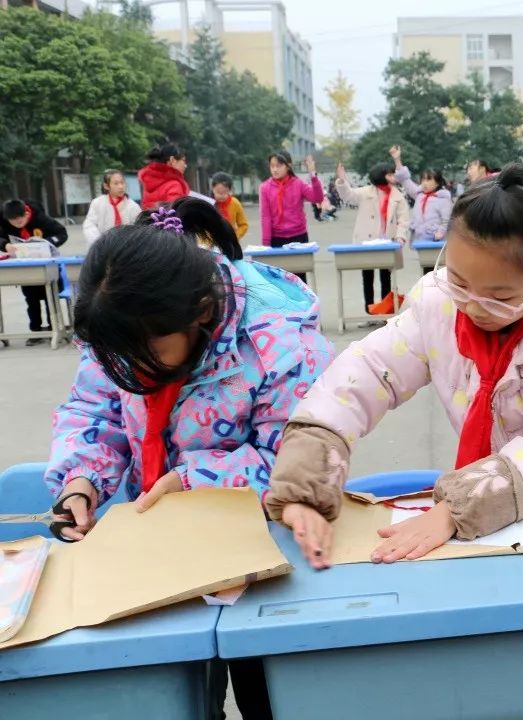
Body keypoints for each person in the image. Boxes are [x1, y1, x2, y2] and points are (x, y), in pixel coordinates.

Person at [265, 163, 523, 569]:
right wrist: (306, 483)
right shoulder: (439, 305)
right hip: (502, 492)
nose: (472, 306)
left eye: (499, 295)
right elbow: (366, 372)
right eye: (459, 280)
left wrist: (459, 509)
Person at [44, 197, 331, 719]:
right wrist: (81, 478)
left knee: (261, 683)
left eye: (145, 354)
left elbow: (297, 457)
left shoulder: (279, 340)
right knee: (182, 693)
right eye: (117, 355)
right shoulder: (125, 324)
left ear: (201, 312)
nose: (128, 367)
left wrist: (194, 481)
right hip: (161, 544)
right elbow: (95, 406)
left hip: (259, 551)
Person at [335, 161, 410, 316]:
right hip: (367, 243)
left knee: (386, 277)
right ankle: (369, 312)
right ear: (381, 176)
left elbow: (404, 219)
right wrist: (342, 181)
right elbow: (349, 196)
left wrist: (401, 236)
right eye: (389, 174)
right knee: (367, 277)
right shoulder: (366, 192)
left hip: (388, 243)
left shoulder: (398, 196)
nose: (393, 176)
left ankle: (385, 312)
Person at [1, 199, 68, 345]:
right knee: (31, 299)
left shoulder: (41, 218)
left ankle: (53, 328)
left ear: (26, 213)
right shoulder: (4, 220)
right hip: (24, 266)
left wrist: (47, 242)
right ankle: (36, 331)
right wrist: (5, 244)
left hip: (46, 264)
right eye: (13, 221)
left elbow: (62, 233)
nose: (18, 223)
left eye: (21, 219)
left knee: (49, 296)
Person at [260, 151, 322, 282]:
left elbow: (318, 197)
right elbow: (265, 217)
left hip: (298, 238)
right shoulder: (265, 187)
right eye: (272, 166)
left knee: (299, 279)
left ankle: (304, 303)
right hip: (276, 239)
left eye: (279, 165)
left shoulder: (298, 184)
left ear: (288, 166)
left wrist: (313, 175)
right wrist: (266, 246)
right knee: (279, 280)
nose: (275, 169)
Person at [390, 145, 452, 273]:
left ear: (438, 182)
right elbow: (405, 179)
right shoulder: (419, 194)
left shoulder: (444, 198)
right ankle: (427, 292)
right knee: (426, 270)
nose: (424, 182)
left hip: (438, 241)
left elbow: (447, 220)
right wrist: (397, 159)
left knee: (441, 271)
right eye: (423, 179)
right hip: (422, 240)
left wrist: (440, 233)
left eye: (429, 179)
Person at [82, 170, 141, 245]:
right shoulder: (97, 203)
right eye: (116, 183)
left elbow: (138, 229)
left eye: (122, 182)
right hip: (102, 245)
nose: (121, 186)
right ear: (106, 186)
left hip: (126, 247)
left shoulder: (133, 206)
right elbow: (90, 225)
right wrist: (98, 242)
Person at [138, 143, 190, 210]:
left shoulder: (148, 182)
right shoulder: (174, 185)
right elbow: (175, 215)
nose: (185, 165)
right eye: (183, 161)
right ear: (172, 160)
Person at [210, 172, 249, 240]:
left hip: (230, 243)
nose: (221, 196)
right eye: (218, 192)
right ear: (213, 189)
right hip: (211, 244)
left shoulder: (235, 203)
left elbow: (244, 225)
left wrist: (235, 236)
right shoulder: (207, 203)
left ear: (230, 190)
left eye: (225, 192)